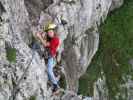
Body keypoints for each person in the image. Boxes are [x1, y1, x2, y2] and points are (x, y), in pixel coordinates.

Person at [36, 23, 60, 93]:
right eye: (48, 32)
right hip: (48, 53)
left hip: (50, 56)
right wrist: (43, 34)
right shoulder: (51, 37)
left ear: (54, 32)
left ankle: (55, 85)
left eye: (50, 32)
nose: (49, 33)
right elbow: (46, 40)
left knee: (49, 70)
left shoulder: (55, 39)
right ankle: (53, 83)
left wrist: (39, 37)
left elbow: (45, 44)